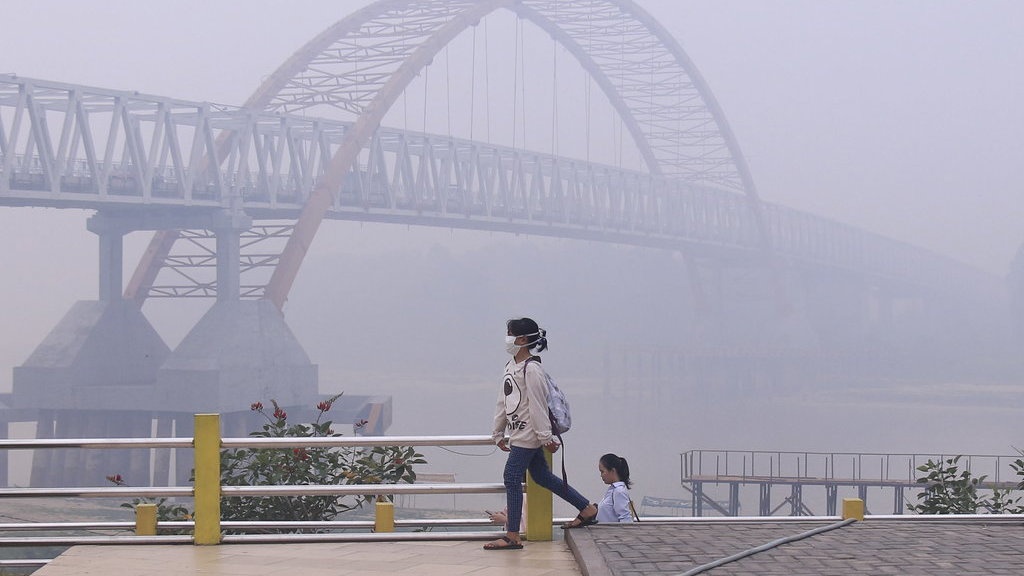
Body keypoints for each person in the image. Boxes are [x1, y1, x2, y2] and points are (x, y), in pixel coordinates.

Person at [484, 318, 597, 551]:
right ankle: (586, 508)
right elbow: (503, 401)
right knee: (541, 476)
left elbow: (538, 406)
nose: (507, 338)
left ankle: (512, 536)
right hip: (519, 432)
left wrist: (545, 437)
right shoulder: (511, 366)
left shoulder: (532, 370)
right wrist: (497, 431)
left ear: (522, 339)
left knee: (511, 477)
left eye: (510, 333)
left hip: (528, 435)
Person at [596, 453, 636, 523]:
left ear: (612, 471)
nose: (601, 475)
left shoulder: (619, 491)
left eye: (602, 471)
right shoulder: (612, 490)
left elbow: (625, 518)